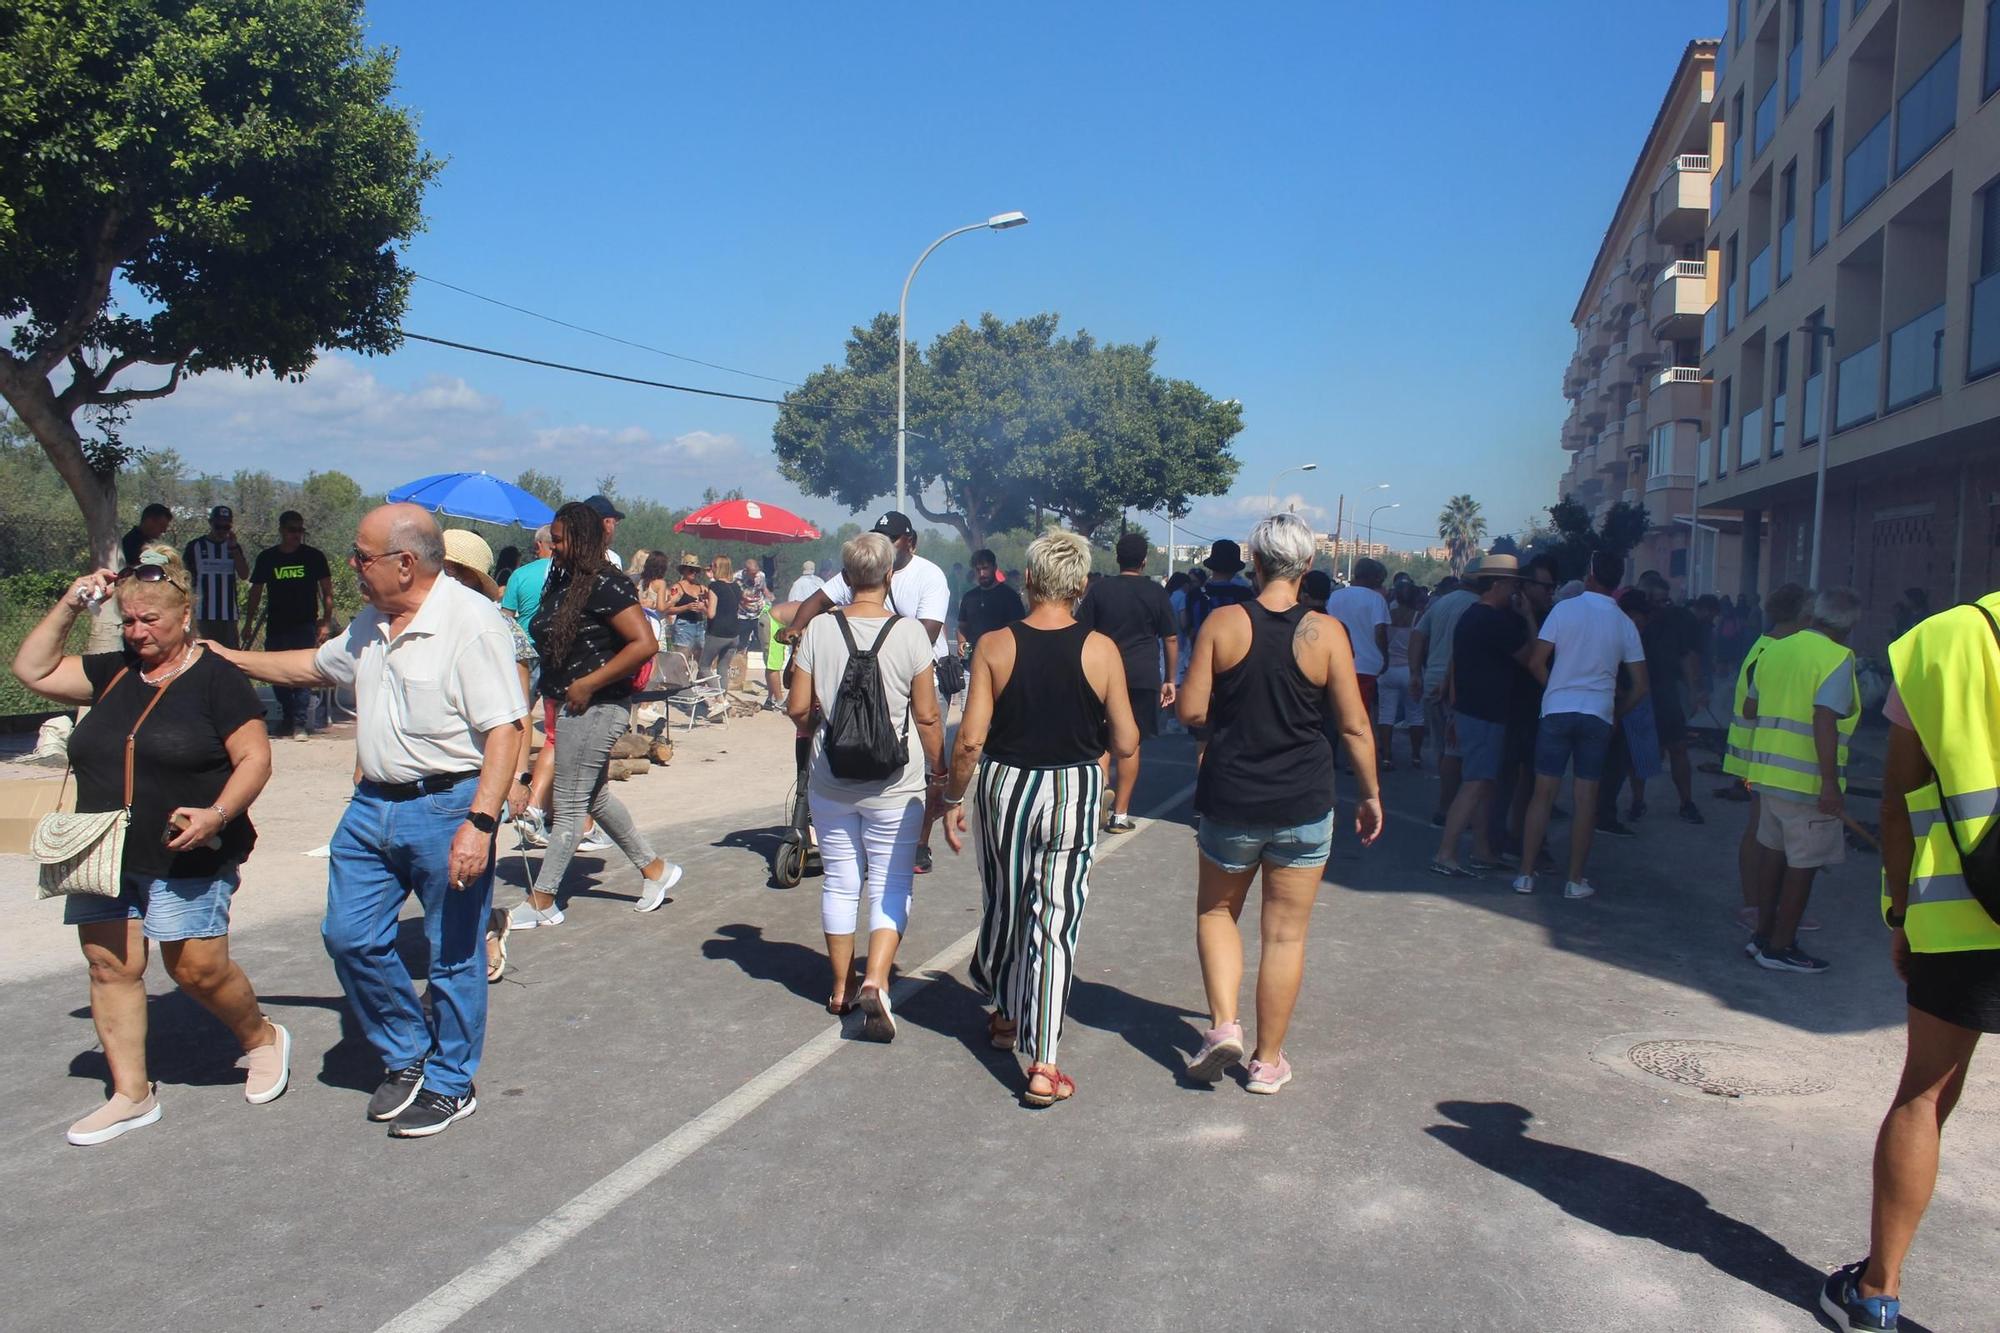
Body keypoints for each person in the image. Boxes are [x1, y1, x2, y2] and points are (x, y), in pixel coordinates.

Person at [212, 503, 526, 1138]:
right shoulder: (372, 621)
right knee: (348, 936)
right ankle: (410, 1054)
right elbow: (313, 665)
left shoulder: (474, 624)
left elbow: (506, 729)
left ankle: (450, 1082)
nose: (352, 565)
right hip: (371, 808)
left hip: (448, 807)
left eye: (363, 556)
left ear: (405, 564)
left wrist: (482, 822)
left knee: (453, 955)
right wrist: (225, 657)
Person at [11, 546, 284, 1145]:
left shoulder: (218, 678)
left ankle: (261, 1037)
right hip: (103, 850)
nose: (137, 632)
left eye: (150, 620)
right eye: (129, 620)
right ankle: (132, 1093)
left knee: (195, 970)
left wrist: (218, 814)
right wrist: (69, 602)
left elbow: (254, 759)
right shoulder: (110, 672)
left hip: (188, 847)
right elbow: (31, 670)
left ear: (184, 616)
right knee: (110, 965)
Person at [1820, 585, 2000, 1332]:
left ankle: (1877, 1293)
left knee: (1924, 1092)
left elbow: (1898, 796)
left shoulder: (1945, 639)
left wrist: (1900, 909)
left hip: (1963, 915)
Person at [1179, 514, 1381, 1095]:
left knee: (1218, 913)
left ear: (1254, 562)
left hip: (1231, 796)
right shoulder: (1328, 632)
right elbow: (1355, 726)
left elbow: (1191, 712)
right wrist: (1369, 794)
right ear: (1308, 567)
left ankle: (1222, 1027)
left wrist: (1226, 718)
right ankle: (1267, 1062)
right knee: (1285, 936)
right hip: (1304, 801)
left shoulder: (1223, 623)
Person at [942, 529, 1137, 1106]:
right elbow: (1126, 741)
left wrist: (952, 799)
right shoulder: (1101, 649)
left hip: (1006, 785)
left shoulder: (995, 645)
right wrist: (1097, 755)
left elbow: (970, 740)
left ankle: (1004, 1011)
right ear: (1080, 585)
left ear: (1027, 581)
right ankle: (1045, 1062)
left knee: (1004, 901)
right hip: (1074, 787)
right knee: (1056, 916)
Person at [786, 532, 947, 1032]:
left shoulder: (818, 631)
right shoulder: (910, 634)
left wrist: (815, 723)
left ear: (846, 577)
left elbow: (797, 709)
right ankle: (876, 979)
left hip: (832, 778)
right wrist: (940, 773)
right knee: (890, 879)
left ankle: (840, 988)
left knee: (840, 880)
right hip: (895, 783)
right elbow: (925, 715)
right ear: (889, 575)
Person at [505, 501, 682, 934]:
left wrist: (588, 683)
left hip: (598, 704)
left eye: (561, 539)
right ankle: (656, 870)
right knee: (594, 797)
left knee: (568, 807)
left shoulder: (607, 583)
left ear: (581, 540)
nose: (553, 545)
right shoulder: (560, 581)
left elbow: (644, 643)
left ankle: (544, 899)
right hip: (567, 702)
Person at [784, 512, 953, 870]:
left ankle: (920, 841)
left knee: (919, 764)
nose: (885, 545)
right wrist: (797, 628)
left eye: (892, 539)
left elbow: (928, 634)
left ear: (910, 542)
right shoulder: (863, 571)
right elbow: (814, 602)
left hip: (919, 676)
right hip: (864, 675)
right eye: (880, 537)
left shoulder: (929, 576)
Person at [1512, 550, 1650, 900]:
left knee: (1542, 793)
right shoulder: (1624, 623)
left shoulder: (1564, 609)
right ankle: (1575, 879)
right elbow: (1640, 686)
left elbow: (1537, 662)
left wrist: (1555, 690)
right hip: (1598, 714)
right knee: (1586, 799)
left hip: (1558, 710)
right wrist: (1617, 712)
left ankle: (1525, 875)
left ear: (1589, 573)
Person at [1740, 587, 1862, 973]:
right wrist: (1830, 784)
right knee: (1803, 867)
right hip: (1807, 783)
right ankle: (1781, 946)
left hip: (1767, 775)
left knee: (1773, 858)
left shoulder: (1775, 649)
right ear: (1849, 627)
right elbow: (1824, 719)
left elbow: (1750, 706)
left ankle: (1761, 937)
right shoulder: (1837, 658)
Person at [1430, 554, 1537, 877]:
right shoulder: (1493, 621)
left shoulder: (1471, 616)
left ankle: (1481, 850)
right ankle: (1446, 853)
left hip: (1472, 709)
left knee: (1484, 782)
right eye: (1513, 585)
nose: (1516, 592)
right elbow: (1529, 656)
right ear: (1498, 584)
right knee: (1475, 783)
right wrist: (1530, 619)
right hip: (1484, 713)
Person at [1723, 583, 1812, 932]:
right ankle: (1754, 906)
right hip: (1758, 753)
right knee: (1760, 831)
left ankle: (1768, 904)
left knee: (1768, 830)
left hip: (1761, 751)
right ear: (1801, 615)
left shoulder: (1770, 646)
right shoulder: (1772, 651)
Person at [1077, 532, 1180, 832]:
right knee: (1130, 744)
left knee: (1100, 742)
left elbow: (1081, 632)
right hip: (1142, 676)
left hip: (1101, 674)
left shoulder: (1100, 590)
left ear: (1117, 558)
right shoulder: (1156, 592)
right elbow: (1170, 638)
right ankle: (1120, 814)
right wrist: (1170, 679)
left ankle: (1095, 802)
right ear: (1145, 560)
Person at [242, 510, 334, 740]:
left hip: (305, 624)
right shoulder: (268, 558)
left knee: (304, 673)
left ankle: (300, 723)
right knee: (276, 673)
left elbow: (327, 590)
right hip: (277, 624)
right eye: (292, 530)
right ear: (282, 530)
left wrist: (326, 620)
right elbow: (256, 591)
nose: (297, 535)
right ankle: (288, 717)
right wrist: (249, 622)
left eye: (300, 531)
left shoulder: (313, 557)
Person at [1629, 570, 1706, 825]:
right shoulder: (1633, 621)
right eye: (1658, 601)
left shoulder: (1674, 621)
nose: (1663, 605)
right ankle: (1637, 801)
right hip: (1639, 694)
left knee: (1679, 748)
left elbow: (1686, 656)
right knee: (1639, 752)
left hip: (1667, 693)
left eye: (1666, 600)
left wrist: (1694, 690)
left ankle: (1686, 802)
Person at [1411, 571, 1479, 826]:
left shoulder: (1441, 603)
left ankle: (1448, 804)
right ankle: (1453, 808)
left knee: (1442, 747)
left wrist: (1415, 673)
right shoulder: (1477, 606)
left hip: (1432, 680)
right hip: (1455, 684)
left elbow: (1418, 635)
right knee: (1457, 751)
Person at [1327, 556, 1391, 723]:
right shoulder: (1376, 599)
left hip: (1337, 662)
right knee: (1361, 714)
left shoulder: (1335, 596)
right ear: (1372, 577)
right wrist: (1385, 657)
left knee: (1335, 712)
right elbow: (1380, 633)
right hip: (1367, 665)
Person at [183, 504, 249, 648]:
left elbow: (244, 574)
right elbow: (185, 577)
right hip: (202, 614)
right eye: (218, 526)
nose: (222, 531)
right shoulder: (195, 546)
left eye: (226, 527)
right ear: (210, 523)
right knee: (200, 654)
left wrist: (234, 549)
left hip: (228, 615)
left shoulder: (234, 548)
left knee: (229, 657)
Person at [1376, 584, 1424, 770]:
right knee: (1416, 715)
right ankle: (1416, 756)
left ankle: (1387, 755)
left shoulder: (1387, 616)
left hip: (1388, 668)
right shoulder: (1418, 617)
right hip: (1411, 669)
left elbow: (1379, 638)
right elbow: (1422, 645)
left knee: (1386, 714)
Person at [956, 547, 1027, 654]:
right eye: (977, 569)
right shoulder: (969, 597)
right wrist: (963, 646)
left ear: (994, 567)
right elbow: (962, 628)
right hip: (971, 663)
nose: (982, 574)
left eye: (985, 568)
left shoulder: (1010, 597)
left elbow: (1017, 632)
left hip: (1002, 660)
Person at [1188, 539, 1256, 639]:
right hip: (1237, 651)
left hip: (1202, 650)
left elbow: (1189, 628)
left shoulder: (1194, 595)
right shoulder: (1245, 595)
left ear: (1211, 567)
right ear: (1235, 569)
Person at [699, 554, 744, 693]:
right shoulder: (736, 587)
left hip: (718, 632)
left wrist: (702, 607)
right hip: (734, 633)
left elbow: (711, 614)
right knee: (723, 668)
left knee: (704, 667)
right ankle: (722, 700)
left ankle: (718, 694)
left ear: (717, 568)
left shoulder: (714, 586)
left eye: (712, 565)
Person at [501, 524, 554, 628]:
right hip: (558, 640)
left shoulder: (519, 574)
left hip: (525, 640)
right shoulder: (570, 573)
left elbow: (506, 618)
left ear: (538, 545)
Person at [661, 553, 711, 658]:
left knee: (702, 659)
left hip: (700, 626)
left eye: (696, 570)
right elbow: (668, 609)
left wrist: (704, 606)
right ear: (684, 570)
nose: (694, 573)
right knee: (681, 659)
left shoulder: (701, 588)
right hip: (683, 626)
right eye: (690, 570)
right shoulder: (677, 588)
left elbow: (711, 608)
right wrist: (686, 607)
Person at [121, 502, 173, 568]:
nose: (164, 530)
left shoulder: (151, 543)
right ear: (149, 521)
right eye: (162, 526)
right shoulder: (131, 543)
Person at [584, 493, 625, 568]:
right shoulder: (613, 560)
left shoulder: (565, 556)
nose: (615, 526)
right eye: (615, 521)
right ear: (607, 523)